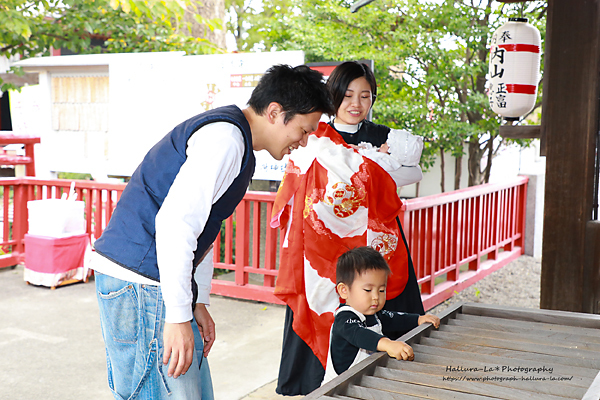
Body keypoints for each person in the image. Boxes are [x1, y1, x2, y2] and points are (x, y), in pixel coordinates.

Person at [90, 64, 334, 400]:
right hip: (142, 280)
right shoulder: (226, 139)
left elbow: (203, 227)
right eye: (304, 130)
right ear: (276, 112)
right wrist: (177, 318)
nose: (304, 142)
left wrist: (197, 301)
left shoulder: (235, 140)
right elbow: (177, 223)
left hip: (152, 280)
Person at [272, 60, 426, 395]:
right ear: (333, 96)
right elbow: (297, 182)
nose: (356, 104)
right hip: (324, 240)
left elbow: (414, 174)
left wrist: (373, 172)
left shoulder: (385, 136)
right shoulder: (314, 136)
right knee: (326, 307)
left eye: (365, 95)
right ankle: (314, 386)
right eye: (348, 95)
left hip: (374, 239)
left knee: (380, 298)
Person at [322, 246, 440, 384]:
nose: (376, 297)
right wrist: (388, 344)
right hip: (337, 389)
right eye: (368, 290)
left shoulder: (374, 314)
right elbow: (359, 335)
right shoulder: (344, 319)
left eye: (381, 290)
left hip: (363, 381)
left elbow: (394, 318)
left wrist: (418, 319)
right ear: (344, 290)